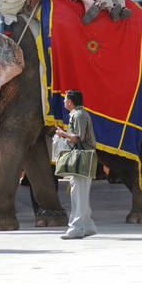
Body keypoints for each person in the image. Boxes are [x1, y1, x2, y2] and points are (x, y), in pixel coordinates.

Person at [56, 90, 97, 240]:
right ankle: (87, 225)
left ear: (71, 101)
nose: (64, 101)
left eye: (65, 99)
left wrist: (63, 134)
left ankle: (76, 227)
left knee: (78, 194)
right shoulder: (78, 114)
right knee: (81, 193)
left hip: (82, 158)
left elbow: (79, 137)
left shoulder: (78, 115)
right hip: (83, 158)